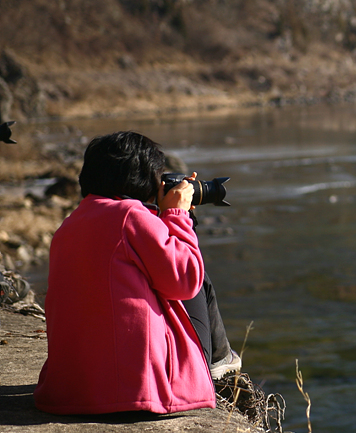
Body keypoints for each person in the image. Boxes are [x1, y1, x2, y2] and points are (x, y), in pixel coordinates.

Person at [34, 131, 240, 415]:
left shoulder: (68, 226)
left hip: (70, 393)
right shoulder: (132, 217)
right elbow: (186, 280)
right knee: (197, 277)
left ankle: (220, 359)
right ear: (143, 178)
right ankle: (219, 361)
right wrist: (178, 216)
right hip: (134, 394)